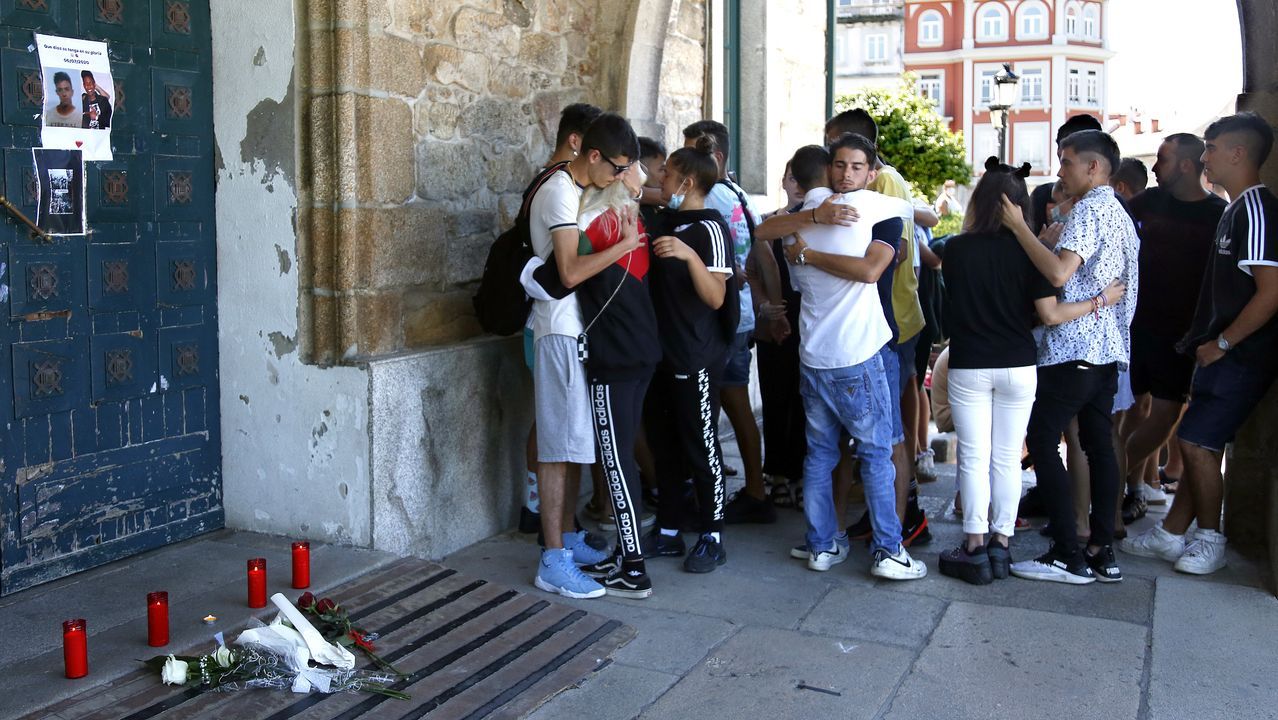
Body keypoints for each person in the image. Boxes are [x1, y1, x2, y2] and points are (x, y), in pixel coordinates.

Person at [938, 158, 1125, 586]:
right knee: (1006, 457)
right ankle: (1002, 546)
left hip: (969, 361)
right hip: (1019, 363)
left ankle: (974, 546)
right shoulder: (1032, 255)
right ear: (1020, 206)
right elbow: (1045, 314)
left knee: (974, 455)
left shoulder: (958, 249)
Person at [1123, 112, 1278, 575]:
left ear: (1237, 153)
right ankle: (1173, 533)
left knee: (1194, 442)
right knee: (1199, 443)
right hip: (1216, 351)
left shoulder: (1256, 210)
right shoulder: (1233, 208)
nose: (1205, 156)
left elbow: (1271, 292)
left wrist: (1225, 344)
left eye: (1211, 148)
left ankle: (1210, 538)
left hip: (1240, 356)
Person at [782, 137, 926, 581]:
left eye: (855, 166)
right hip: (855, 355)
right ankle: (887, 551)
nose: (847, 174)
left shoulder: (797, 223)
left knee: (822, 454)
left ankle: (822, 545)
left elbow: (765, 230)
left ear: (867, 171)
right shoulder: (871, 206)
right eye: (841, 165)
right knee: (876, 453)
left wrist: (807, 246)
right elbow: (873, 267)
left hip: (814, 355)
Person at [1007, 129, 1139, 585]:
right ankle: (1103, 550)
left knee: (1043, 439)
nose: (1059, 170)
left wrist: (1022, 230)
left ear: (1093, 167)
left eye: (1065, 161)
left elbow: (1060, 271)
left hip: (1074, 348)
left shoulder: (1088, 209)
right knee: (1098, 446)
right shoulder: (1119, 212)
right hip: (1106, 350)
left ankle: (1066, 551)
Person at [523, 162, 660, 597]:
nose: (635, 179)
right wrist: (624, 241)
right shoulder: (588, 210)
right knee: (560, 444)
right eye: (627, 170)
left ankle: (564, 541)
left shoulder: (611, 213)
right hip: (562, 334)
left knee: (574, 442)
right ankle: (554, 555)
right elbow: (556, 276)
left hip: (587, 340)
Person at [823, 109, 935, 547]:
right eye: (836, 161)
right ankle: (888, 519)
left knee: (887, 434)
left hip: (887, 321)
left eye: (843, 155)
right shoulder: (885, 183)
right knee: (883, 430)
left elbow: (897, 252)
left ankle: (899, 526)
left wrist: (812, 255)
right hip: (889, 319)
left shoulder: (881, 186)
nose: (838, 168)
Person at [637, 136, 738, 573]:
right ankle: (670, 529)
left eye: (668, 173)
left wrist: (688, 257)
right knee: (665, 447)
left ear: (688, 180)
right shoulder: (666, 219)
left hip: (695, 355)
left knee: (701, 445)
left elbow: (717, 296)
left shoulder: (709, 227)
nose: (661, 178)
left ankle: (712, 533)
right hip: (661, 354)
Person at [1119, 134, 1225, 525]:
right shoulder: (1144, 203)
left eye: (1161, 159)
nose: (1154, 167)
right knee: (1129, 408)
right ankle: (1124, 489)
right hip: (1133, 324)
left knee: (1165, 414)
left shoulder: (1219, 212)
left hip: (1183, 334)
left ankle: (1113, 479)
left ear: (1184, 164)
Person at [681, 120, 777, 525]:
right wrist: (769, 304)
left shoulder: (710, 196)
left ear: (714, 158)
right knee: (728, 401)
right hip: (739, 312)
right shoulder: (739, 193)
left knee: (730, 402)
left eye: (691, 155)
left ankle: (749, 492)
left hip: (721, 314)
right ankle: (734, 485)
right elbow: (762, 252)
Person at [519, 102, 603, 536]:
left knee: (566, 433)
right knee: (554, 433)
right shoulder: (556, 187)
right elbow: (568, 270)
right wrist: (622, 245)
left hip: (569, 326)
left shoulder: (570, 187)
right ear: (581, 146)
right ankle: (550, 538)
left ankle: (564, 534)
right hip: (553, 325)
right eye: (611, 160)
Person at [756, 163, 808, 504]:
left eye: (803, 178)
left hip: (809, 324)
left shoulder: (821, 221)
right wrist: (764, 307)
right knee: (775, 400)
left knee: (806, 403)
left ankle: (803, 474)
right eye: (792, 177)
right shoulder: (767, 223)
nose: (798, 184)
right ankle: (775, 473)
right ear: (783, 181)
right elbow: (751, 274)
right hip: (774, 323)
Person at [1029, 114, 1104, 233]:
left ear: (1093, 163)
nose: (1060, 172)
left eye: (1067, 162)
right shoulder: (1042, 196)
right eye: (1061, 159)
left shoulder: (1111, 208)